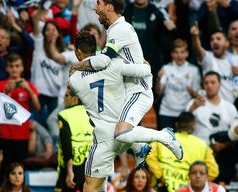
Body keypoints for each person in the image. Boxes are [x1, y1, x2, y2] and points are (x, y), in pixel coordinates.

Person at [70, 0, 183, 164]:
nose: (95, 8)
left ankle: (164, 136)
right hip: (127, 91)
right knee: (109, 128)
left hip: (138, 91)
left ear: (109, 6)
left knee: (121, 134)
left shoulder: (120, 29)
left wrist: (78, 66)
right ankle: (139, 147)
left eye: (99, 4)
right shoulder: (114, 30)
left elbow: (104, 62)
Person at [68, 31, 151, 192]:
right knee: (100, 175)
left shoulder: (75, 79)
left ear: (78, 52)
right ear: (96, 49)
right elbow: (143, 68)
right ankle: (139, 145)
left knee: (89, 186)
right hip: (124, 129)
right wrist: (144, 64)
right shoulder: (113, 64)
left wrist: (78, 67)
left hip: (104, 135)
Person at [51, 86, 100, 192]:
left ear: (75, 98)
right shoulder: (93, 114)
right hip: (90, 169)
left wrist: (70, 171)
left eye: (66, 95)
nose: (64, 98)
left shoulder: (65, 115)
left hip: (72, 170)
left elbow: (66, 144)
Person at [146, 112, 219, 192]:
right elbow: (213, 171)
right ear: (193, 126)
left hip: (162, 191)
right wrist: (197, 181)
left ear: (176, 125)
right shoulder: (203, 145)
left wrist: (160, 176)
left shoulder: (162, 139)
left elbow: (148, 154)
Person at [186, 71, 238, 183]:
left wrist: (224, 145)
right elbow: (183, 128)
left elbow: (236, 134)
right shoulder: (194, 103)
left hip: (223, 154)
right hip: (199, 153)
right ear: (203, 85)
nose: (209, 85)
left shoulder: (230, 107)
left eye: (213, 82)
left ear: (220, 84)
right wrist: (193, 108)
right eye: (206, 83)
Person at [0, 53, 40, 171]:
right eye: (11, 66)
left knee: (19, 168)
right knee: (5, 169)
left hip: (22, 134)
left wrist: (29, 91)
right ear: (7, 68)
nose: (14, 69)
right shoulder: (1, 85)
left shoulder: (29, 85)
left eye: (17, 66)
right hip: (4, 133)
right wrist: (6, 92)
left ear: (22, 68)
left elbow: (37, 108)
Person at [191, 23, 238, 103]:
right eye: (212, 39)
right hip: (212, 106)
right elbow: (198, 49)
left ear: (227, 43)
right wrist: (195, 37)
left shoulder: (237, 59)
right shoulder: (208, 58)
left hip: (233, 106)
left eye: (218, 39)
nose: (214, 41)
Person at [156, 39, 201, 130]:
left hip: (185, 112)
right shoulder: (166, 68)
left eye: (182, 52)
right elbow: (159, 92)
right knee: (165, 142)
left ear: (187, 53)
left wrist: (191, 91)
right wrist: (158, 78)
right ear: (172, 54)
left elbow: (197, 95)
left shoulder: (193, 70)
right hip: (166, 112)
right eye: (176, 52)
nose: (179, 55)